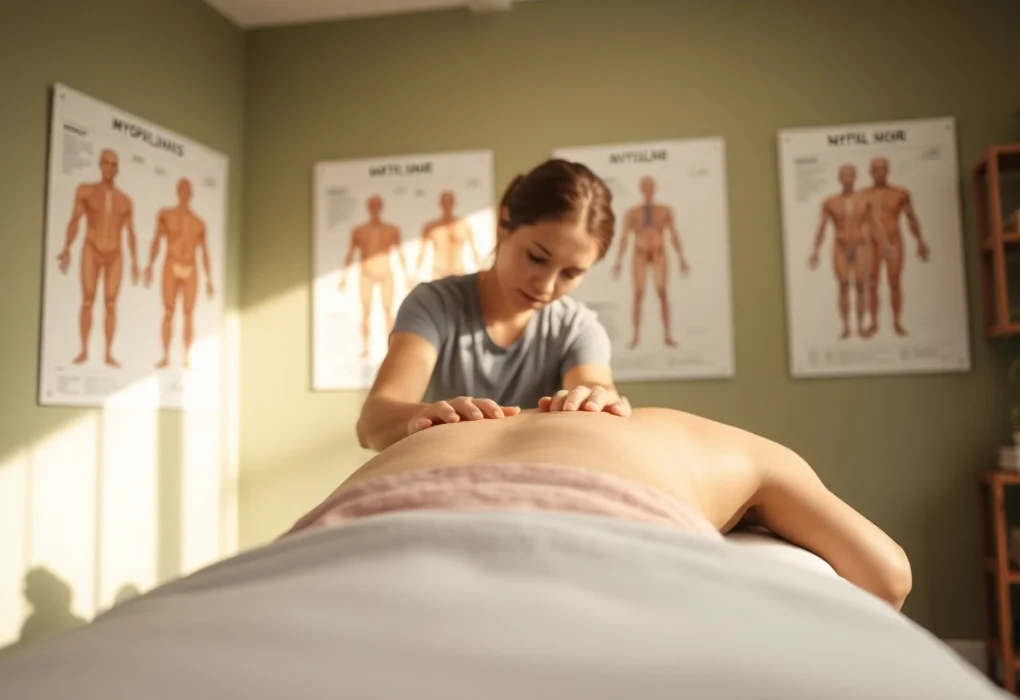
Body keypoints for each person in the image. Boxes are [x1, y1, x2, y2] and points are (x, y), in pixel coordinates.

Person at [289, 403, 913, 612]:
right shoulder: (695, 436)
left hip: (334, 549)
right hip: (606, 534)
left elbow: (376, 421)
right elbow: (885, 577)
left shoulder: (435, 430)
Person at [356, 159, 630, 453]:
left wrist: (600, 402)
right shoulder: (434, 306)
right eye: (537, 258)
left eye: (571, 273)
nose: (547, 286)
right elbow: (373, 423)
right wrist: (419, 419)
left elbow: (592, 384)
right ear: (504, 225)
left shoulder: (578, 329)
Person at [57, 148, 140, 368]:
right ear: (100, 164)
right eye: (106, 163)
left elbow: (131, 233)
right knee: (88, 300)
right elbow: (74, 220)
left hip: (115, 254)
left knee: (111, 303)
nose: (110, 168)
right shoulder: (86, 191)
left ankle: (108, 353)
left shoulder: (125, 201)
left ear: (118, 169)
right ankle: (84, 350)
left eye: (114, 164)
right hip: (92, 248)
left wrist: (135, 262)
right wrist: (66, 248)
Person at [611, 176, 690, 349]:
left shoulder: (665, 210)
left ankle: (667, 336)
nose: (648, 190)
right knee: (638, 294)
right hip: (639, 253)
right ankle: (636, 336)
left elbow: (673, 234)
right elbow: (624, 237)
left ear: (655, 189)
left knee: (662, 292)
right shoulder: (632, 213)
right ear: (641, 189)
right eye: (645, 187)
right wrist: (618, 261)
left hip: (659, 253)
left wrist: (681, 258)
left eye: (651, 187)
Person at [144, 178, 214, 370]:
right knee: (168, 311)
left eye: (187, 190)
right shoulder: (166, 215)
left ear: (191, 194)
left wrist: (209, 279)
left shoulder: (199, 223)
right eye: (181, 189)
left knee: (188, 313)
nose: (184, 193)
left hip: (191, 267)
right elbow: (156, 240)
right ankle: (165, 355)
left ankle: (187, 355)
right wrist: (149, 264)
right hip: (171, 263)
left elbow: (205, 252)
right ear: (177, 192)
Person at [808, 164, 877, 339]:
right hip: (840, 245)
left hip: (861, 244)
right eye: (844, 176)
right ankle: (846, 326)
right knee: (844, 285)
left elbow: (874, 223)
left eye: (850, 176)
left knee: (861, 285)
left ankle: (860, 326)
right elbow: (822, 227)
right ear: (839, 178)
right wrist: (815, 250)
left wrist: (885, 245)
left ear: (855, 177)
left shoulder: (865, 200)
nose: (847, 179)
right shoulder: (830, 202)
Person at [863, 157, 930, 337]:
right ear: (871, 172)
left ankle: (897, 321)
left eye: (884, 169)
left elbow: (911, 218)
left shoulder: (900, 193)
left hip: (894, 239)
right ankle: (873, 322)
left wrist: (920, 241)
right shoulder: (862, 194)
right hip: (870, 241)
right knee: (871, 282)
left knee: (894, 281)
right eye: (877, 169)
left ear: (888, 171)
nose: (881, 173)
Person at [339, 195, 411, 358]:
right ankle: (365, 347)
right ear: (368, 208)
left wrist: (407, 275)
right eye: (372, 205)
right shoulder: (359, 231)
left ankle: (391, 348)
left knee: (388, 310)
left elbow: (400, 253)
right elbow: (351, 253)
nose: (375, 209)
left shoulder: (391, 229)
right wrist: (343, 276)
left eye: (377, 205)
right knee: (365, 311)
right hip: (366, 273)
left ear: (381, 208)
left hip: (385, 272)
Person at [415, 190, 484, 281]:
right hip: (439, 273)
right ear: (440, 204)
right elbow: (422, 253)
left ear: (454, 204)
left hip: (458, 273)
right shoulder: (432, 227)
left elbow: (474, 252)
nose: (447, 206)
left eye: (450, 202)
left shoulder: (463, 226)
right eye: (445, 202)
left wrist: (482, 272)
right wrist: (415, 274)